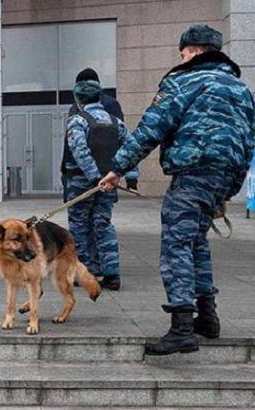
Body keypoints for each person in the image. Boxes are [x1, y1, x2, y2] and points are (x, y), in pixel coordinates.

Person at [99, 24, 255, 355]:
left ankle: (182, 326)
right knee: (196, 240)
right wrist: (227, 191)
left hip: (193, 173)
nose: (180, 56)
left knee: (176, 245)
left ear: (194, 50)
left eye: (182, 51)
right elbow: (247, 140)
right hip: (223, 177)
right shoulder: (242, 89)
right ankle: (207, 317)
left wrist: (117, 169)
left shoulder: (182, 81)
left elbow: (149, 129)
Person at [62, 80, 138, 291]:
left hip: (82, 183)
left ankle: (87, 272)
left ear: (79, 100)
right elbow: (131, 148)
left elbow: (80, 151)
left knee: (79, 226)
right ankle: (111, 272)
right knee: (103, 224)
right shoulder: (115, 122)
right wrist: (131, 176)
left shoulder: (78, 121)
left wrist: (95, 178)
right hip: (110, 182)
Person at [61, 68, 137, 200]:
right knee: (102, 219)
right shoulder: (114, 117)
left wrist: (94, 177)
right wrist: (131, 176)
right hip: (107, 174)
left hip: (82, 175)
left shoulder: (78, 112)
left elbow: (77, 147)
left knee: (79, 220)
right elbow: (129, 146)